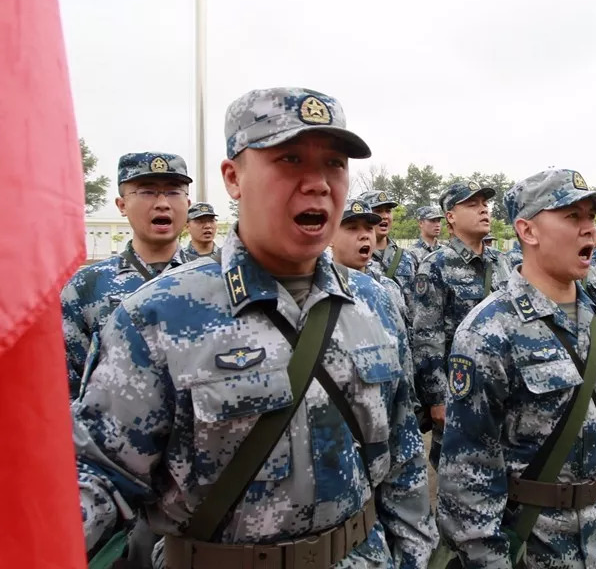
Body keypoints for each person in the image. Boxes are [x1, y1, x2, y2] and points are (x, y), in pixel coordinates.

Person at [73, 87, 436, 569]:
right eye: (289, 159)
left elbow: (403, 456)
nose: (318, 184)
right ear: (233, 177)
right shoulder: (156, 316)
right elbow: (96, 477)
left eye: (334, 164)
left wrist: (412, 557)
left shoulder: (375, 302)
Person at [437, 168, 596, 568]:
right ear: (527, 231)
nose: (589, 228)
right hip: (530, 542)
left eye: (591, 217)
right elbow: (466, 473)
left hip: (595, 534)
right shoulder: (488, 330)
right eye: (572, 216)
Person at [61, 152, 191, 400]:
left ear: (188, 203)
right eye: (147, 192)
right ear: (122, 205)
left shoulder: (214, 279)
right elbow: (66, 388)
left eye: (174, 192)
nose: (162, 203)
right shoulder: (86, 287)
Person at [410, 180, 512, 466]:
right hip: (460, 392)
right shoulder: (436, 265)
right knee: (458, 470)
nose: (484, 210)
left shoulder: (501, 262)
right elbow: (427, 337)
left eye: (485, 204)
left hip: (503, 389)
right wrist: (437, 398)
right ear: (450, 217)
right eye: (472, 204)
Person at [331, 198, 411, 328]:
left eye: (369, 228)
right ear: (329, 236)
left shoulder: (389, 288)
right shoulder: (317, 289)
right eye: (352, 228)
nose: (365, 235)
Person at [360, 189, 418, 305]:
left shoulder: (408, 257)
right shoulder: (356, 258)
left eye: (388, 211)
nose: (385, 216)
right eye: (378, 211)